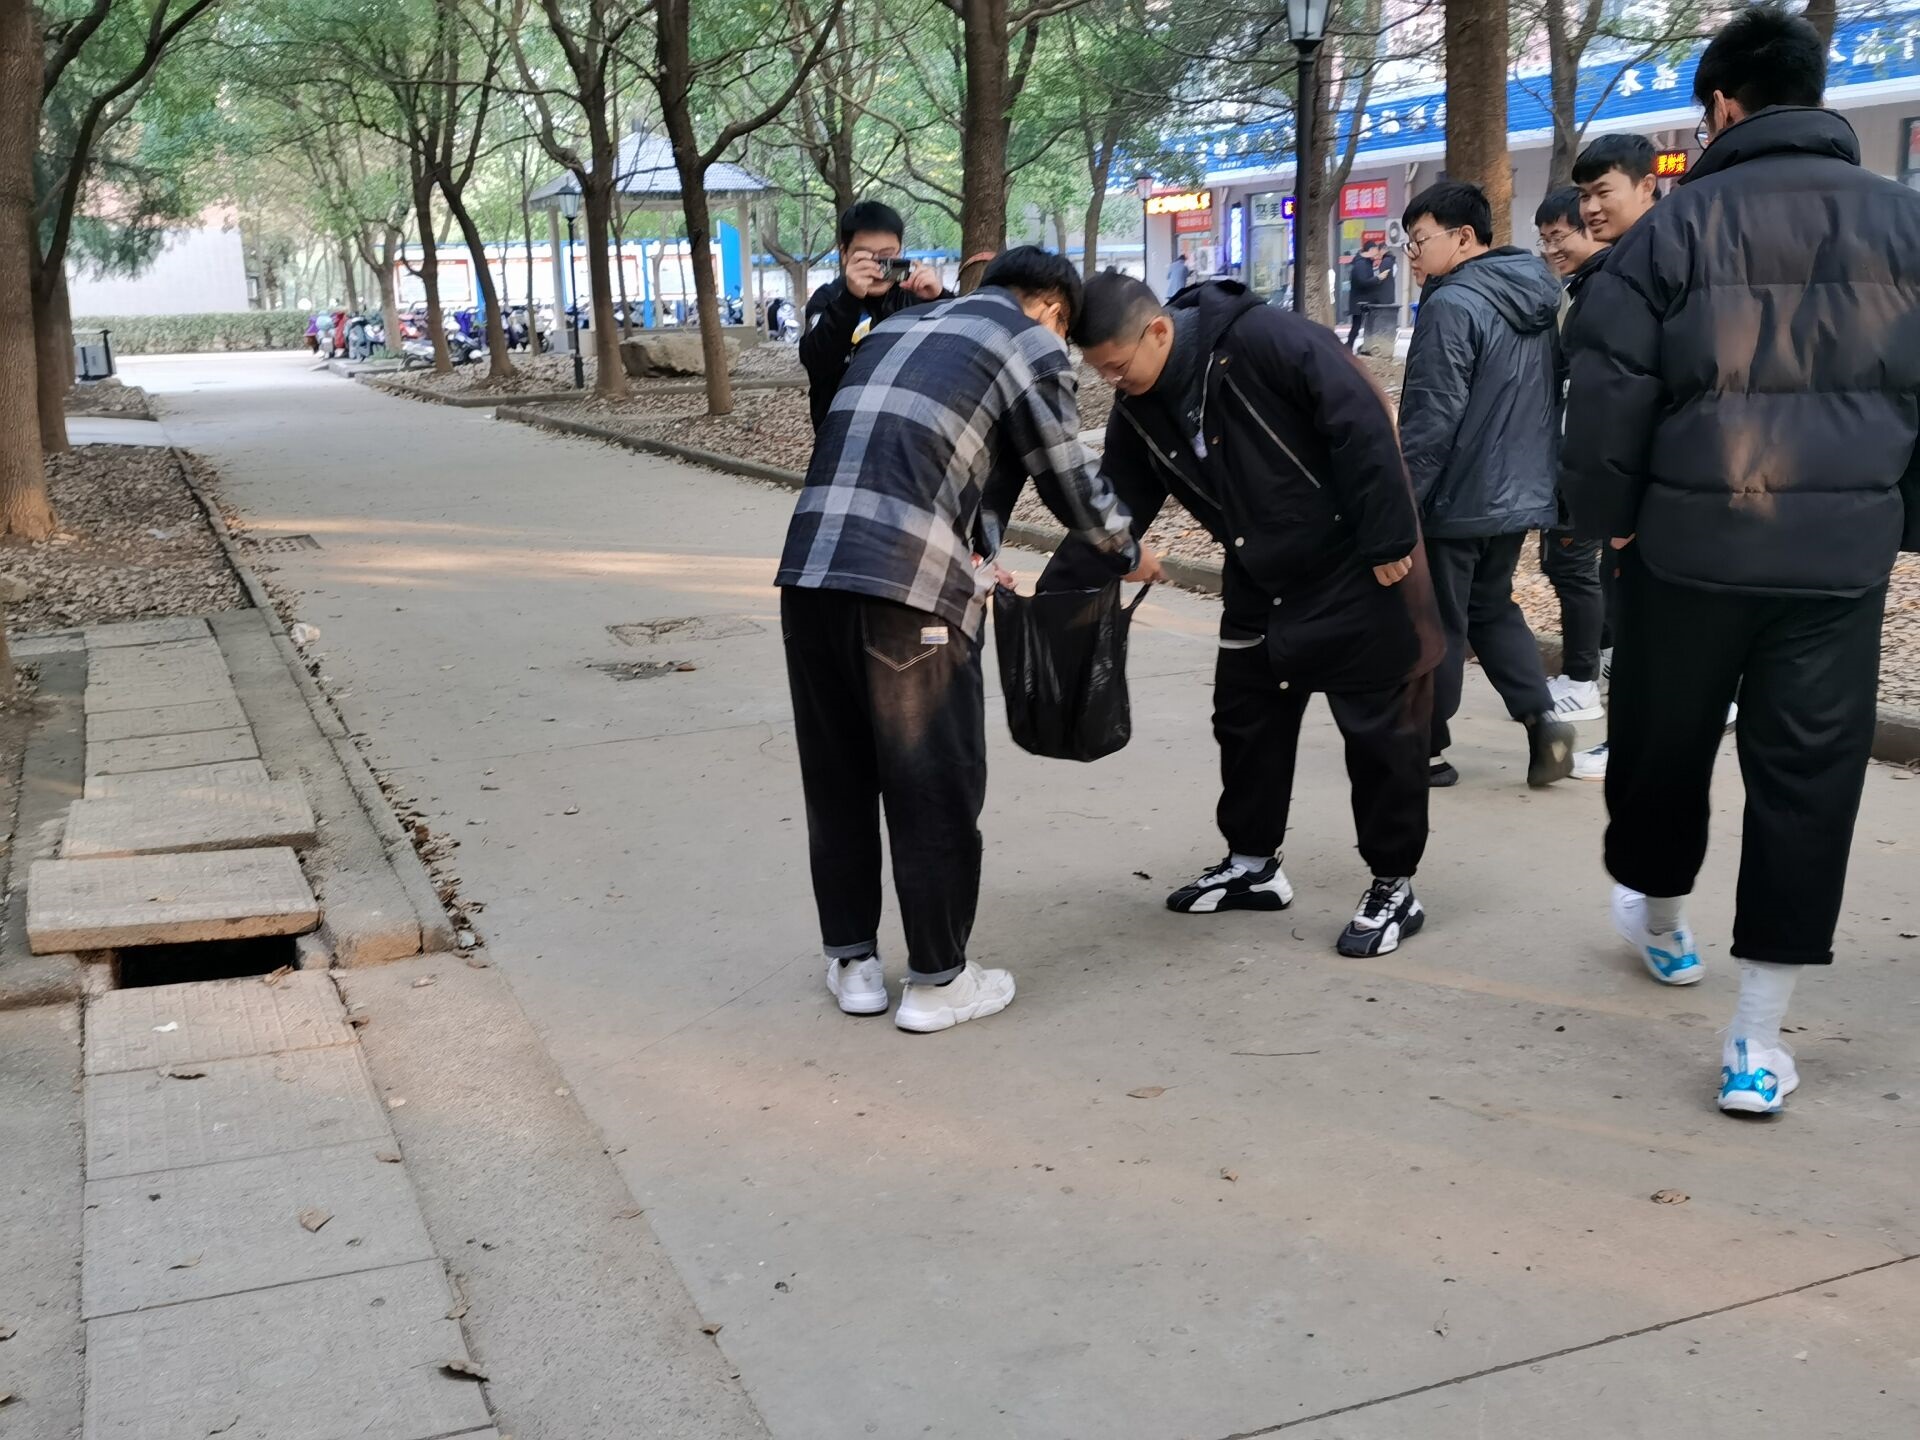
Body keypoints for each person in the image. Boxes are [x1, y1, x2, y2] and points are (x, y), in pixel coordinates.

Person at [1563, 4, 1920, 1114]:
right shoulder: (1907, 223)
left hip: (1686, 551)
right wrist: (1896, 519)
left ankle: (1665, 925)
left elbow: (1606, 396)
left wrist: (1610, 522)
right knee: (1808, 782)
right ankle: (1756, 1046)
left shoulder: (1669, 232)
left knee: (1662, 746)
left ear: (1723, 104)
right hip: (1837, 569)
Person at [776, 247, 1164, 1034]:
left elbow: (905, 455)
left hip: (810, 574)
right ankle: (937, 981)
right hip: (905, 593)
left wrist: (976, 559)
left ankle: (853, 964)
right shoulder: (1028, 342)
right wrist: (1127, 549)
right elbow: (1065, 475)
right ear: (1051, 308)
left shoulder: (899, 329)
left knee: (838, 778)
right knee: (932, 784)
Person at [1052, 271, 1445, 956]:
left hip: (1358, 565)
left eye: (1116, 366)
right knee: (1246, 720)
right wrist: (1055, 594)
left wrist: (1388, 538)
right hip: (1260, 576)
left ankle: (1394, 885)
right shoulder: (1139, 405)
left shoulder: (1267, 340)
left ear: (1158, 331)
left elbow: (1361, 419)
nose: (1112, 381)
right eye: (1100, 372)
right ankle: (1253, 865)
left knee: (1383, 736)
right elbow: (1116, 501)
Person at [1397, 181, 1574, 790]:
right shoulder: (1536, 293)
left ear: (1464, 237)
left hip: (1458, 494)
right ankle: (1542, 719)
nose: (1413, 254)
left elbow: (1431, 417)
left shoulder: (1451, 304)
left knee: (1439, 619)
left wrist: (1402, 502)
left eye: (1420, 240)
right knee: (1491, 607)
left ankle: (1425, 748)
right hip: (1520, 491)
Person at [1555, 134, 1670, 781]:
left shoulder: (1636, 267)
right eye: (1584, 195)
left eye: (1603, 192)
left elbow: (1619, 396)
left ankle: (1630, 745)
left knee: (1640, 624)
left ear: (1646, 185)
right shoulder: (1638, 257)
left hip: (1649, 490)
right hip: (1657, 486)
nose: (1590, 208)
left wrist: (1617, 510)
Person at [798, 200, 947, 430]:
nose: (877, 268)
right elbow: (816, 362)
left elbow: (958, 356)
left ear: (900, 253)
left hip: (909, 430)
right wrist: (849, 299)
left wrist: (941, 298)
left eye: (887, 257)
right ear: (844, 254)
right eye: (865, 258)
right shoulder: (828, 298)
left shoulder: (917, 296)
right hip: (843, 430)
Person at [1345, 240, 1396, 351]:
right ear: (1371, 250)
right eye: (1376, 252)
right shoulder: (1360, 264)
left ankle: (1352, 347)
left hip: (1363, 300)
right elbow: (1362, 282)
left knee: (1360, 326)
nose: (1377, 255)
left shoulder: (1365, 262)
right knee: (1356, 326)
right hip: (1359, 301)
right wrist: (1378, 278)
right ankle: (1347, 348)